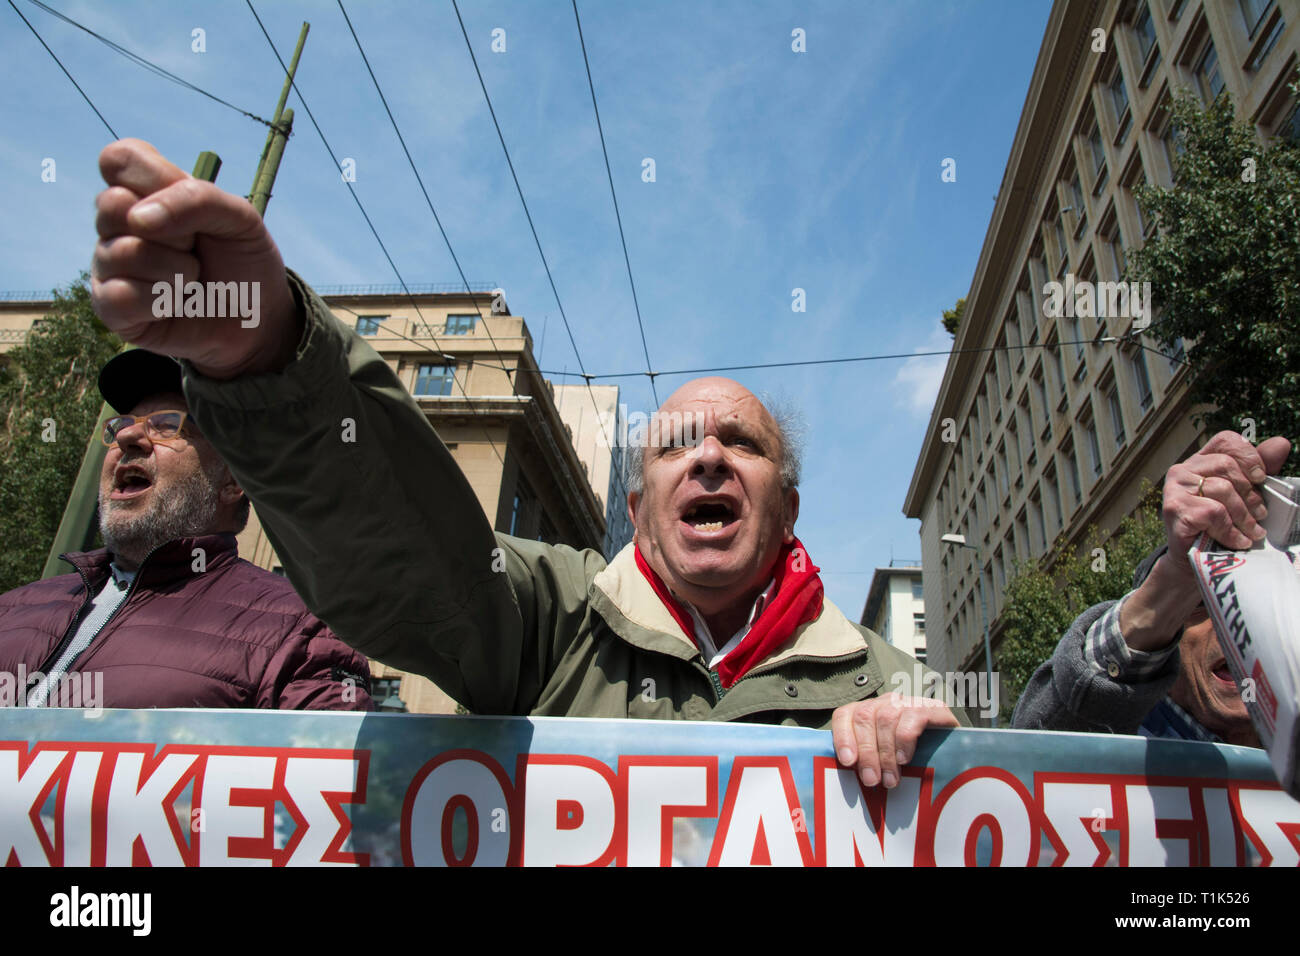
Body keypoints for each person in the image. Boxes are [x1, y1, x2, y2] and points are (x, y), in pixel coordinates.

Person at [87, 138, 966, 788]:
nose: (707, 458)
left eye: (741, 444)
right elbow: (405, 556)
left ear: (790, 506)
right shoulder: (549, 619)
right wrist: (267, 358)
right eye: (677, 445)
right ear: (638, 501)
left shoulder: (891, 681)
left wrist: (936, 761)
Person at [0, 347, 375, 711]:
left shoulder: (305, 631)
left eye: (165, 425)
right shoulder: (10, 608)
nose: (128, 438)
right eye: (122, 426)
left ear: (233, 477)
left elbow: (330, 768)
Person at [1012, 431, 1291, 746]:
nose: (1241, 623)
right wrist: (1175, 580)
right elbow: (1037, 755)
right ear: (1162, 651)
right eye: (1209, 598)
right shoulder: (1125, 762)